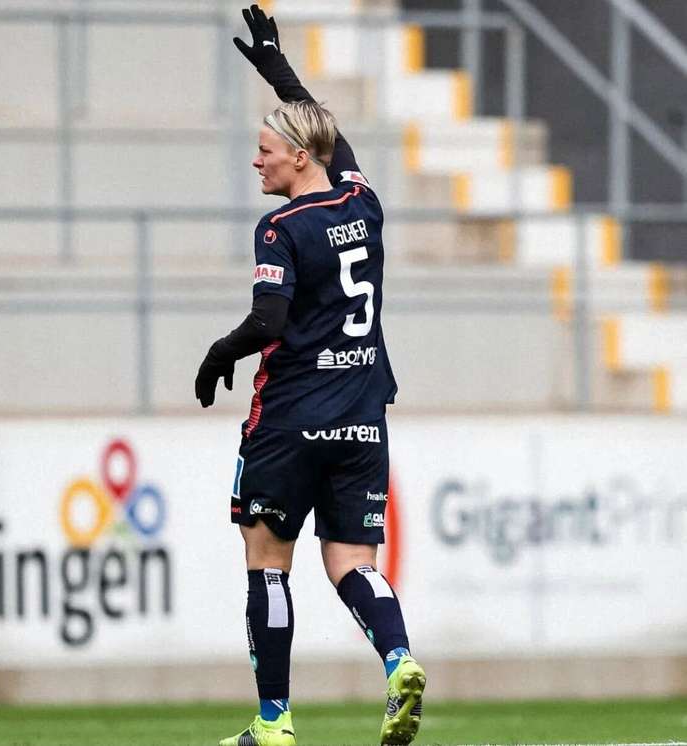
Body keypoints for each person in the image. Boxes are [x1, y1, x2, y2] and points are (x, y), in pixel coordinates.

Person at [195, 6, 426, 745]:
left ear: (297, 157)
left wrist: (218, 353)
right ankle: (398, 662)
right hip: (362, 413)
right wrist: (276, 68)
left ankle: (274, 724)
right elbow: (335, 139)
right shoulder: (364, 200)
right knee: (353, 561)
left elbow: (269, 323)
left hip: (291, 417)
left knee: (267, 563)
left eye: (266, 150)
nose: (257, 161)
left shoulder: (281, 228)